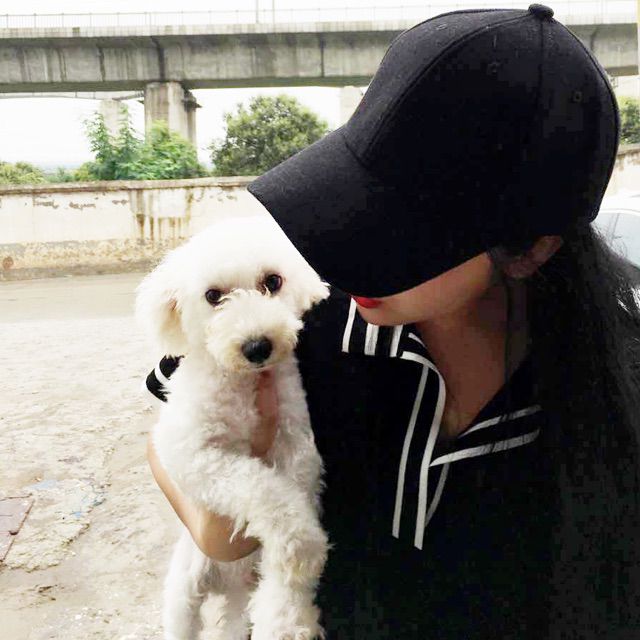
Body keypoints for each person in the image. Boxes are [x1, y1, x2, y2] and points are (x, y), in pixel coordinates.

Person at [145, 4, 640, 639]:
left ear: (530, 248)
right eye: (350, 200)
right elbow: (168, 428)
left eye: (394, 227)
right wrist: (216, 527)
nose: (348, 244)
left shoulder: (614, 391)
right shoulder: (301, 319)